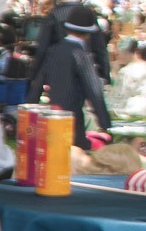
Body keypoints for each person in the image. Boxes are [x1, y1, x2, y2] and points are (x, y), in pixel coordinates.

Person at [25, 17, 111, 149]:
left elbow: (38, 83)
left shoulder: (53, 50)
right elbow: (94, 91)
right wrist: (105, 123)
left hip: (53, 114)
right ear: (88, 34)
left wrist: (29, 112)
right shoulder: (81, 55)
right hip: (73, 117)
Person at [111, 38, 146, 117]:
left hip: (128, 111)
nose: (118, 57)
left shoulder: (125, 71)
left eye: (119, 53)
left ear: (126, 52)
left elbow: (119, 96)